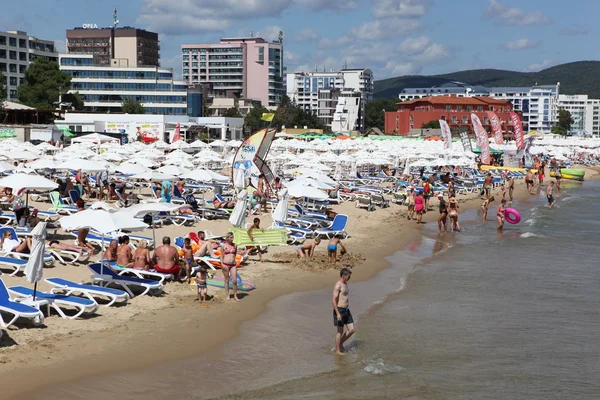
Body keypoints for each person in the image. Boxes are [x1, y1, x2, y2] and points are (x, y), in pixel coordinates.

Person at [332, 268, 356, 356]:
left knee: (352, 329)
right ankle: (337, 350)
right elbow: (333, 300)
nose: (350, 277)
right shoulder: (338, 285)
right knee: (340, 331)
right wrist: (338, 313)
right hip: (340, 310)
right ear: (343, 276)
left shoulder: (345, 283)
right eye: (349, 276)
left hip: (346, 310)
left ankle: (340, 343)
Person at [218, 232, 239, 301]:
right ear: (227, 238)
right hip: (225, 265)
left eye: (233, 237)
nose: (232, 239)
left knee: (235, 280)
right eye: (231, 237)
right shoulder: (223, 246)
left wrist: (233, 260)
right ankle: (227, 295)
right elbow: (221, 256)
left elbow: (235, 254)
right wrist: (222, 264)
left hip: (233, 265)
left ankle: (235, 295)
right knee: (226, 280)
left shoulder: (235, 245)